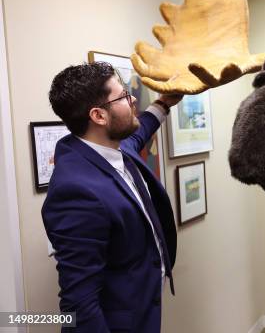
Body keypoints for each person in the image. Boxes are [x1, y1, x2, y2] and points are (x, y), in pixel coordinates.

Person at [42, 62, 183, 333]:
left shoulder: (110, 148)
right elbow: (79, 303)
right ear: (99, 116)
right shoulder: (77, 191)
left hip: (144, 306)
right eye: (123, 96)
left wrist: (164, 104)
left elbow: (139, 134)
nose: (132, 101)